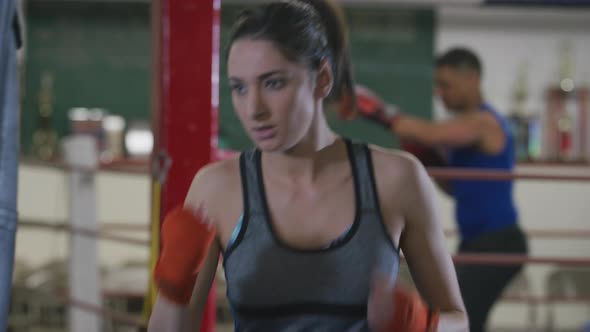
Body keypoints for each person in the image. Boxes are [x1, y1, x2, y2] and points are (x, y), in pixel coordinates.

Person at [147, 1, 469, 331]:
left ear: (323, 79)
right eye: (240, 88)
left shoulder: (396, 179)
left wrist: (424, 325)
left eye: (273, 83)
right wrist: (174, 290)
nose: (253, 108)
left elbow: (459, 322)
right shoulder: (217, 188)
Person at [356, 48, 528, 332]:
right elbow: (455, 188)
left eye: (446, 84)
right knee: (465, 318)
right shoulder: (469, 131)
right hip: (476, 242)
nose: (439, 93)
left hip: (499, 242)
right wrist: (427, 157)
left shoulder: (485, 122)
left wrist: (379, 112)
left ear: (472, 78)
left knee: (461, 318)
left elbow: (428, 132)